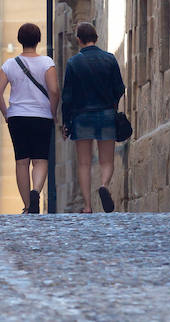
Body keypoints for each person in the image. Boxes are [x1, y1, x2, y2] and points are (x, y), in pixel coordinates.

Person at [0, 23, 59, 214]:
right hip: (41, 116)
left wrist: (6, 113)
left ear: (20, 40)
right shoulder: (47, 63)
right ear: (38, 40)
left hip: (17, 117)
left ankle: (28, 206)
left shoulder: (9, 64)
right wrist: (53, 112)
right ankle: (36, 190)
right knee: (40, 159)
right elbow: (54, 90)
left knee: (21, 161)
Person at [61, 22, 126, 213]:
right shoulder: (109, 59)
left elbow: (67, 96)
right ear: (96, 38)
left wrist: (66, 122)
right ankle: (104, 185)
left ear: (79, 40)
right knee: (107, 160)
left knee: (84, 162)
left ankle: (88, 206)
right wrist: (112, 103)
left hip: (81, 117)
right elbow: (119, 88)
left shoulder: (73, 63)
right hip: (105, 113)